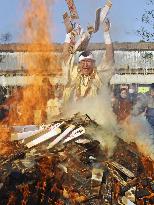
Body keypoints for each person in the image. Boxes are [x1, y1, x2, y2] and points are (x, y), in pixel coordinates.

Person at [62, 16, 114, 103]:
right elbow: (66, 56)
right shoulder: (74, 71)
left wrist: (106, 33)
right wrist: (68, 35)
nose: (85, 65)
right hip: (71, 114)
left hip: (92, 115)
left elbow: (109, 57)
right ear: (78, 63)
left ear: (93, 63)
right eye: (83, 62)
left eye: (88, 62)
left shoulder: (98, 74)